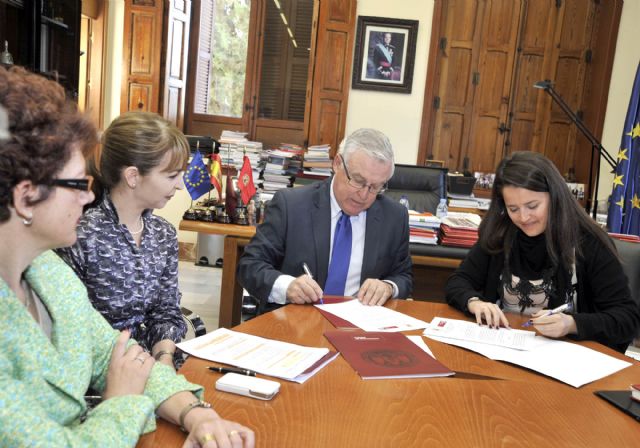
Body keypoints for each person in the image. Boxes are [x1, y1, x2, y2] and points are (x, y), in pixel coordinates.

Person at [0, 66, 254, 447]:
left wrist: (196, 413)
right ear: (25, 198)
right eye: (77, 184)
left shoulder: (48, 275)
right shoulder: (71, 248)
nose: (88, 197)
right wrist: (121, 401)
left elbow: (116, 355)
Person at [445, 151, 640, 352]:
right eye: (513, 209)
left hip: (568, 359)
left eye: (532, 206)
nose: (523, 217)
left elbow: (627, 319)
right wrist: (474, 302)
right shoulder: (500, 233)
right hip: (505, 349)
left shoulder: (589, 242)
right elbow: (458, 282)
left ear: (554, 197)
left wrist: (571, 324)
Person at [57, 111, 189, 369]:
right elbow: (71, 329)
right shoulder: (81, 235)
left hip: (156, 365)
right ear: (133, 176)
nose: (180, 185)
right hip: (99, 373)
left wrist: (164, 357)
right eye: (172, 176)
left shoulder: (163, 234)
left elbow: (166, 311)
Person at [238, 128, 412, 309]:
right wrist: (287, 286)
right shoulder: (290, 206)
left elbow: (403, 276)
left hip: (357, 329)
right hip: (294, 323)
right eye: (358, 181)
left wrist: (388, 287)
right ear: (337, 163)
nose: (364, 194)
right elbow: (249, 266)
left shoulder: (394, 217)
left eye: (375, 187)